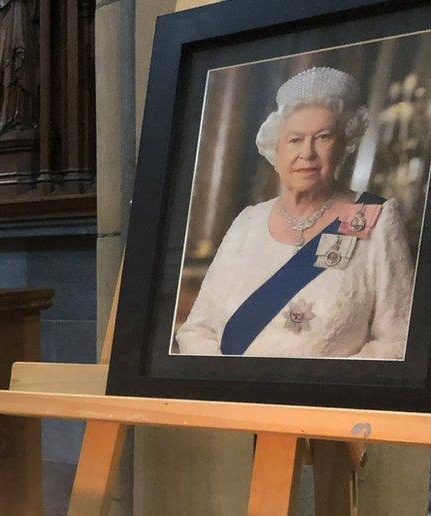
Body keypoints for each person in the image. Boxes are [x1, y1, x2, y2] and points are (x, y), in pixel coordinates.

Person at [176, 67, 414, 359]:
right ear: (276, 150)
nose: (308, 153)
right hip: (233, 399)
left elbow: (399, 341)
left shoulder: (376, 218)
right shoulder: (247, 221)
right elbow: (197, 330)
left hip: (321, 401)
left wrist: (319, 390)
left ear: (344, 145)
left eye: (324, 137)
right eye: (295, 139)